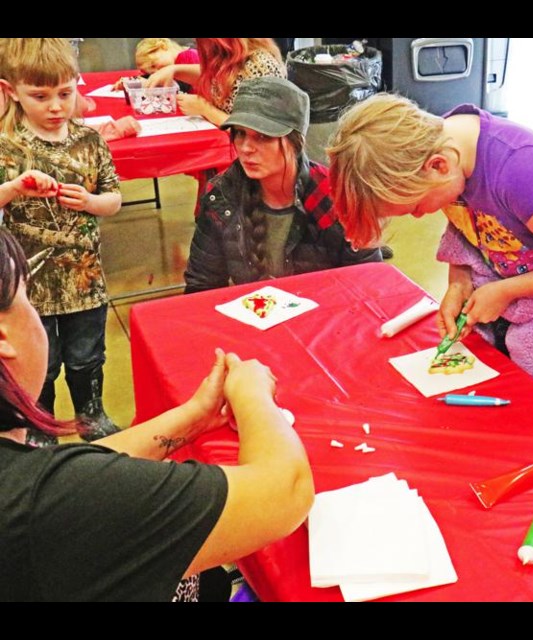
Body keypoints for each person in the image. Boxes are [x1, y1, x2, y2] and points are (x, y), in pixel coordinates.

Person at [0, 226, 314, 601]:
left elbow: (70, 471)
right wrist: (253, 392)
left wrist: (194, 416)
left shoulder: (31, 480)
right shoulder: (42, 506)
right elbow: (286, 492)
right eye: (28, 298)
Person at [326, 93, 533, 415]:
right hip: (513, 289)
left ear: (439, 165)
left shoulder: (524, 173)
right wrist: (459, 283)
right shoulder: (439, 147)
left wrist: (505, 291)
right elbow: (464, 228)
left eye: (416, 207)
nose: (421, 215)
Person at [0, 38, 122, 444]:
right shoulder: (6, 147)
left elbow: (114, 199)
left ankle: (91, 415)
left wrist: (91, 201)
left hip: (86, 283)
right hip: (30, 290)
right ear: (11, 91)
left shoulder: (90, 141)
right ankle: (40, 426)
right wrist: (14, 188)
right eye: (40, 96)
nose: (56, 106)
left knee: (88, 354)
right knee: (42, 362)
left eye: (65, 94)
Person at [183, 77, 381, 294]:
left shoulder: (337, 196)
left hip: (326, 318)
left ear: (295, 142)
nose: (246, 148)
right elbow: (201, 287)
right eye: (239, 134)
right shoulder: (221, 196)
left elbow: (369, 283)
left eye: (262, 137)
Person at [145, 38, 285, 127]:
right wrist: (175, 70)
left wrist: (204, 109)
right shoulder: (235, 59)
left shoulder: (260, 66)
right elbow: (216, 77)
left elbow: (258, 131)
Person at [111, 38, 200, 92]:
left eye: (153, 65)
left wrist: (146, 84)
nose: (158, 72)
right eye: (152, 72)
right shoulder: (176, 58)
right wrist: (133, 82)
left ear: (163, 46)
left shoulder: (190, 56)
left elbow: (184, 87)